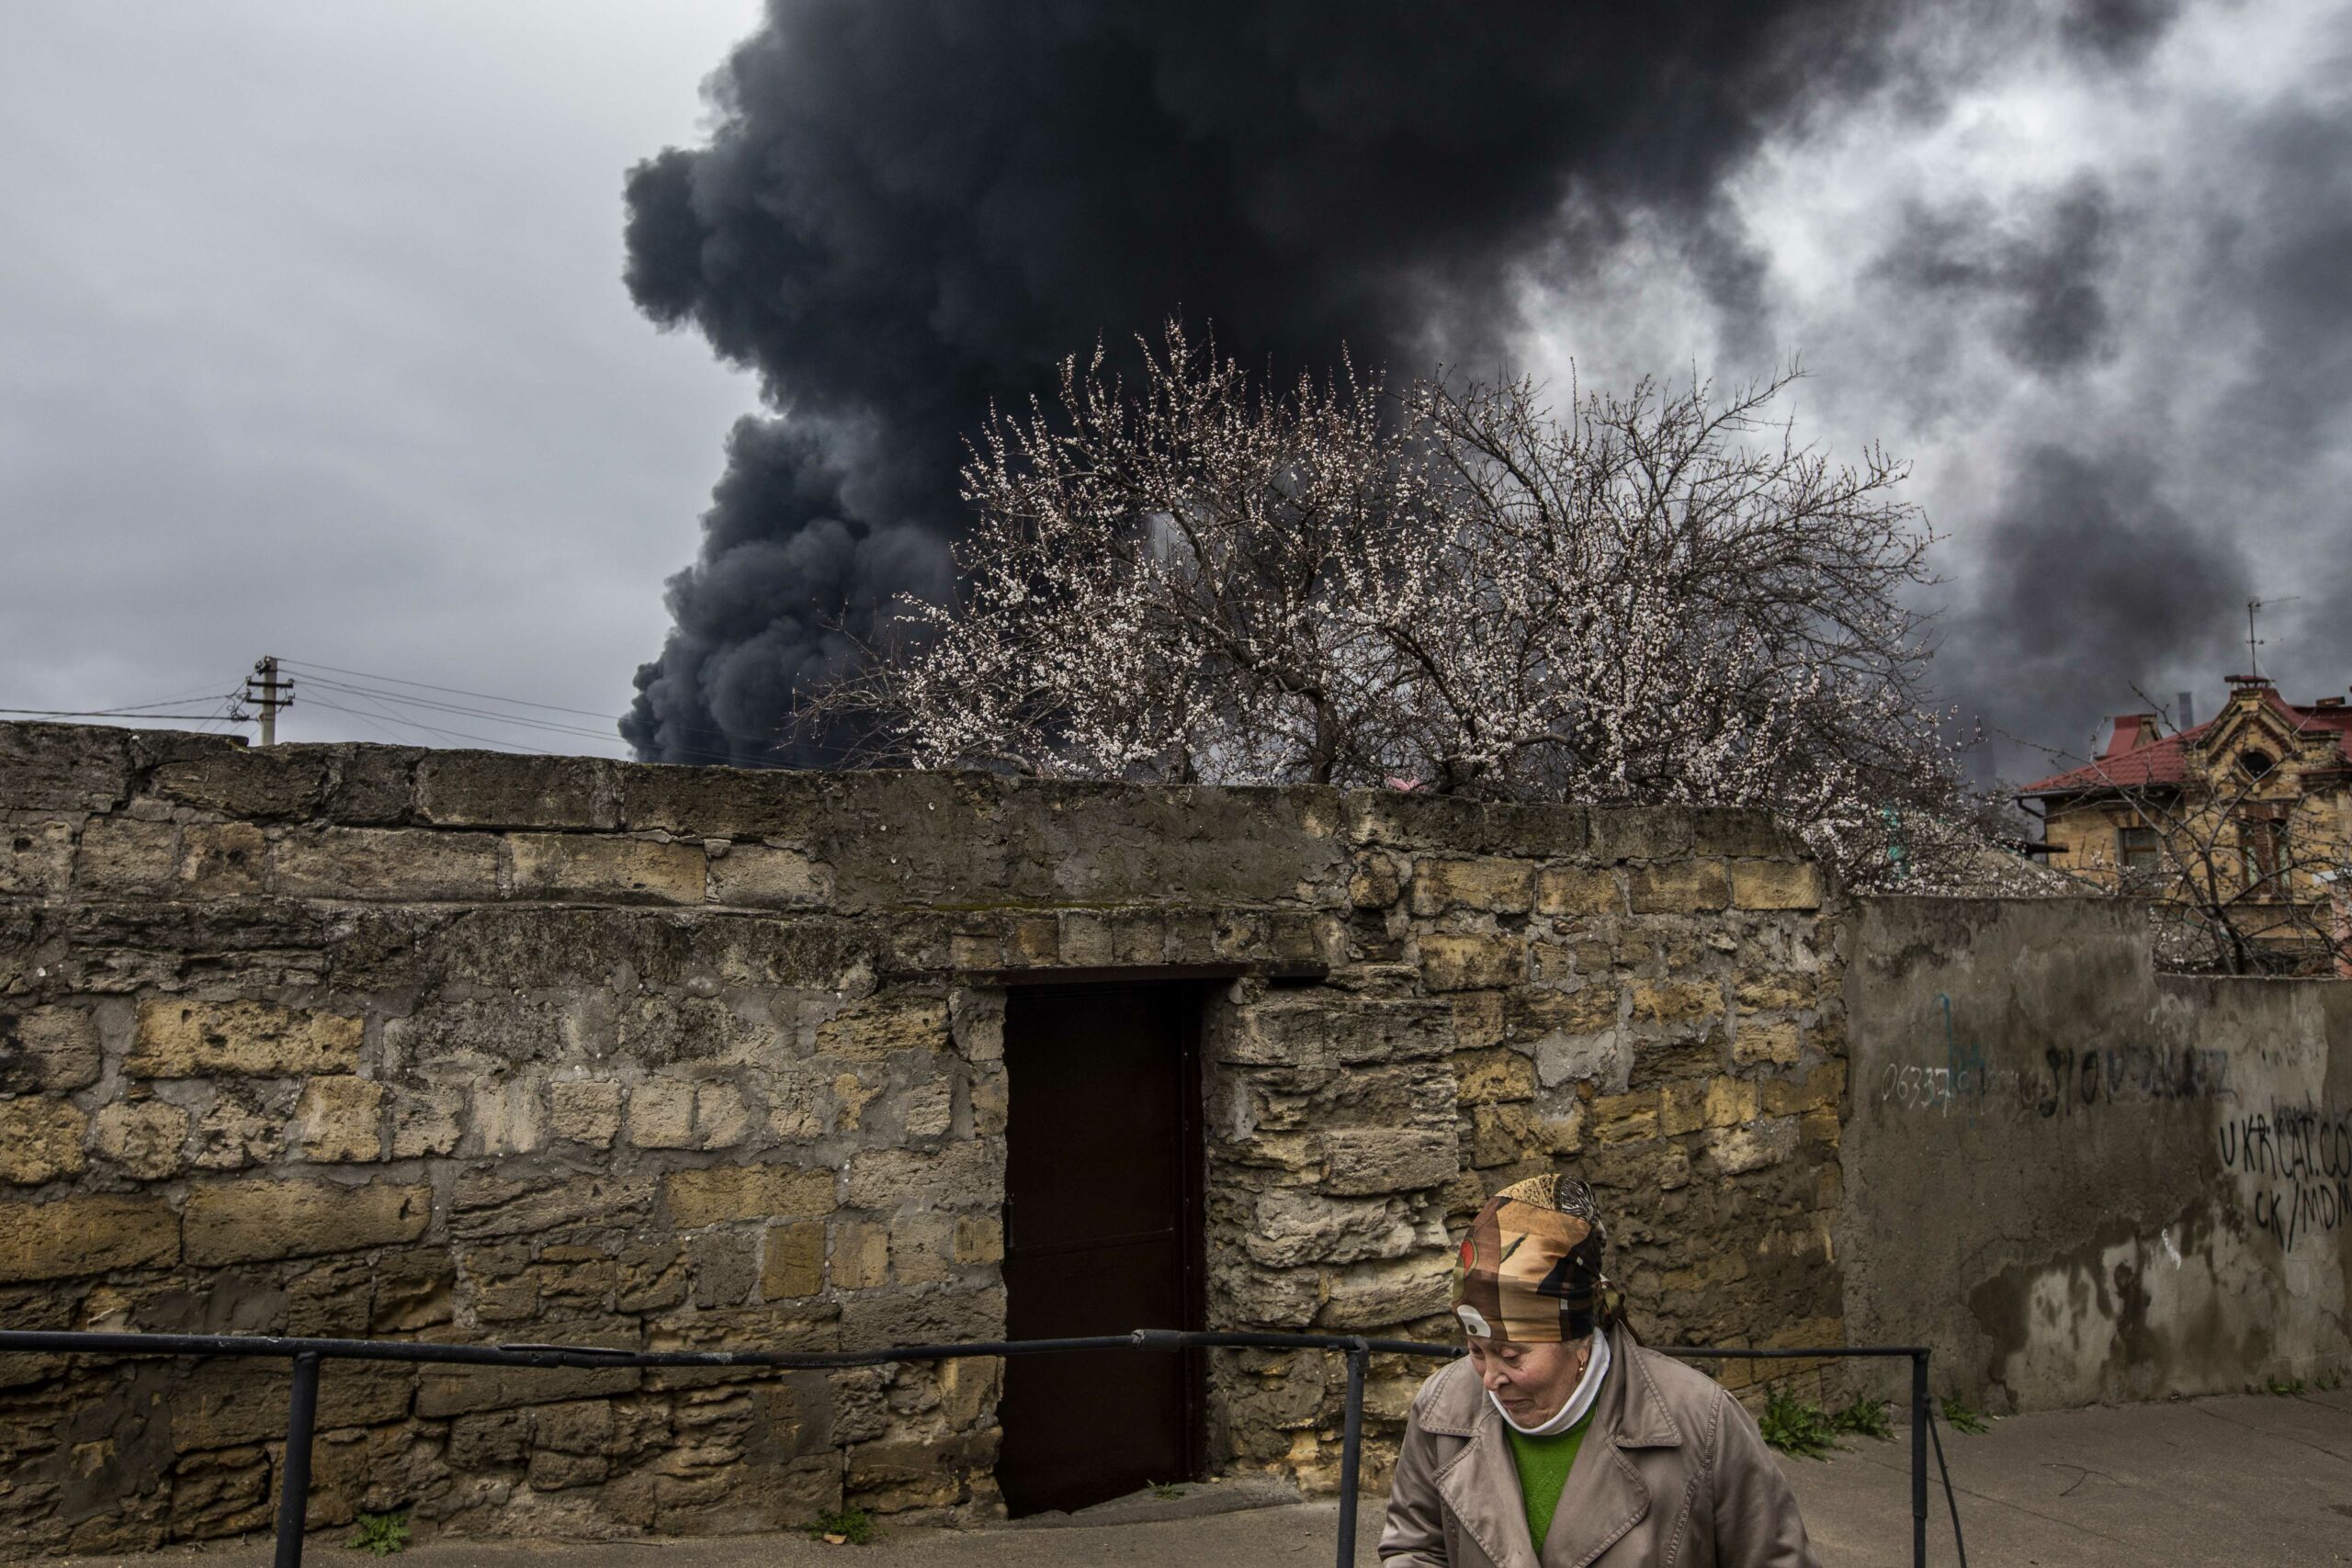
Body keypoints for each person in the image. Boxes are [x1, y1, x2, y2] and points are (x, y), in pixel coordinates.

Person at [1380, 1174, 1820, 1567]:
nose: (1490, 1378)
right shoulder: (1441, 1408)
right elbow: (1415, 1548)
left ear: (1580, 1342)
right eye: (1476, 1350)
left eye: (1512, 1355)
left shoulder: (1703, 1423)